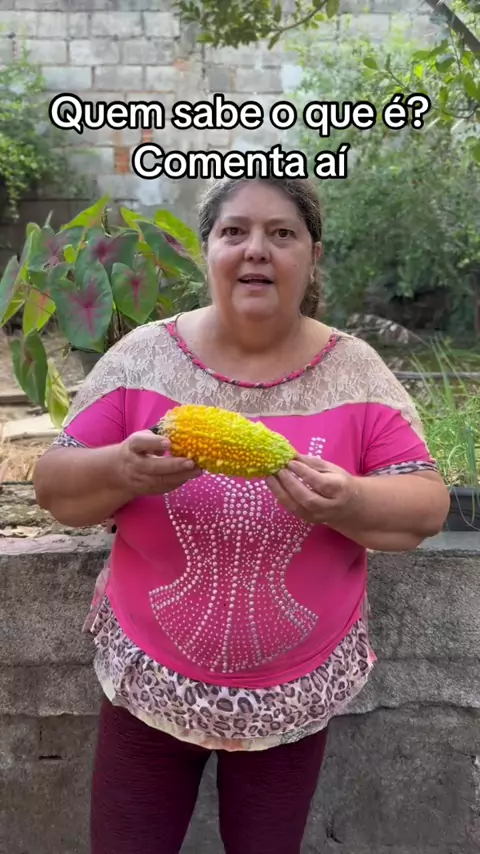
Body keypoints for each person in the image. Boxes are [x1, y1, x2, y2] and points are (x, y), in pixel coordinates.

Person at [33, 176, 450, 854]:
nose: (256, 249)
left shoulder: (356, 371)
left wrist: (350, 499)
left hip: (294, 694)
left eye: (281, 234)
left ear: (313, 255)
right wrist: (120, 469)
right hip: (150, 684)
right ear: (209, 252)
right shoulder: (143, 357)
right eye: (234, 232)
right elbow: (54, 487)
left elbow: (425, 506)